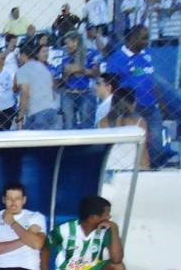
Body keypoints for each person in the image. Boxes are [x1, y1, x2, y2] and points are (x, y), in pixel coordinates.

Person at [106, 25, 165, 167]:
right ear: (132, 38)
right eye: (144, 38)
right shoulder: (117, 59)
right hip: (132, 109)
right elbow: (110, 86)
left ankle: (154, 170)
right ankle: (140, 170)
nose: (147, 41)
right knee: (137, 144)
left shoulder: (146, 56)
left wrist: (161, 102)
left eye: (148, 38)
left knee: (157, 144)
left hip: (152, 107)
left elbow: (152, 80)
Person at [98, 88, 151, 170]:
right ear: (133, 104)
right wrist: (146, 170)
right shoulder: (139, 123)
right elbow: (143, 153)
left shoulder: (102, 122)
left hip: (108, 169)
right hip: (131, 171)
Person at [60, 31, 99, 129]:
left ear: (76, 42)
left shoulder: (91, 53)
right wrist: (67, 73)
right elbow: (63, 79)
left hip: (86, 93)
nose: (66, 46)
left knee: (86, 124)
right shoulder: (65, 56)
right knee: (68, 125)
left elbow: (96, 73)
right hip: (69, 93)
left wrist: (81, 69)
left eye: (68, 43)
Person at [15, 41, 59, 130]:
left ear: (23, 55)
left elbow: (25, 94)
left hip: (37, 111)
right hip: (52, 109)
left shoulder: (22, 70)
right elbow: (53, 91)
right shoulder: (44, 68)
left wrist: (20, 117)